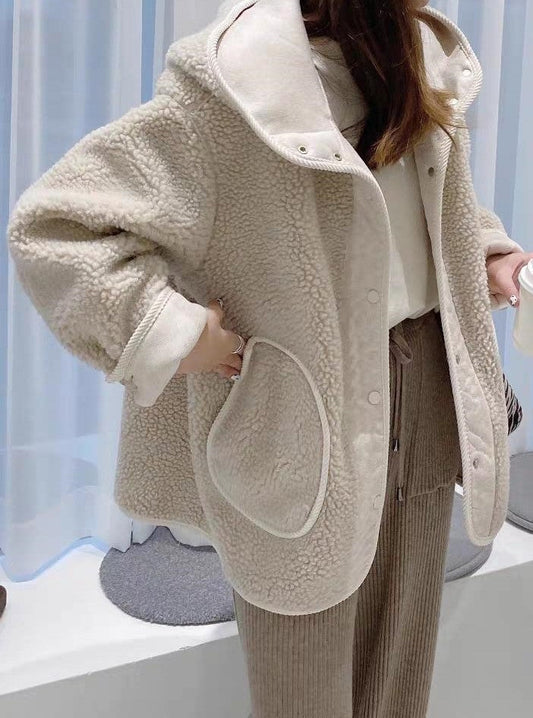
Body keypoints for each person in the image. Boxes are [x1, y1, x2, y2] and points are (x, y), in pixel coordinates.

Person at [7, 0, 532, 716]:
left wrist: (487, 253)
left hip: (425, 384)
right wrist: (174, 335)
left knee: (401, 659)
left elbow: (425, 204)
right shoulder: (237, 79)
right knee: (302, 675)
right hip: (300, 408)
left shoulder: (417, 53)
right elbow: (59, 229)